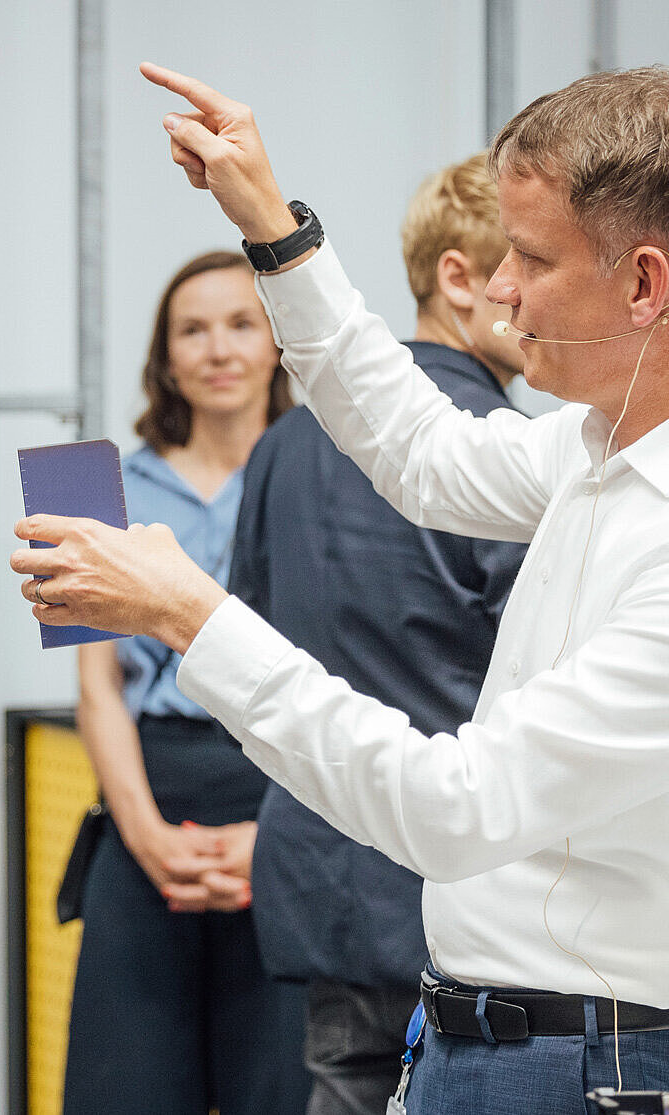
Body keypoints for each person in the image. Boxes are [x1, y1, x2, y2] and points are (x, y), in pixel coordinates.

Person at [12, 63, 669, 1112]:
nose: (498, 289)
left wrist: (192, 616)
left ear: (646, 284)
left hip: (616, 1071)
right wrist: (275, 230)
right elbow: (422, 451)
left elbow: (459, 807)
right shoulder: (613, 445)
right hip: (522, 1048)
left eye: (533, 257)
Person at [233, 155, 527, 1115]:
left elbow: (254, 633)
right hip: (459, 879)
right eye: (520, 265)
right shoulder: (510, 460)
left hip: (320, 870)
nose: (535, 298)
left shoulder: (282, 445)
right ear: (454, 278)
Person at [63, 250, 308, 1115]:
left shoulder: (332, 480)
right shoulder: (91, 485)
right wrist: (146, 834)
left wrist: (275, 838)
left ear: (278, 342)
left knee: (282, 1085)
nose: (218, 348)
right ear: (165, 357)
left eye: (242, 323)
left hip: (287, 796)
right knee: (127, 1083)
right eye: (192, 330)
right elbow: (98, 688)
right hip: (144, 798)